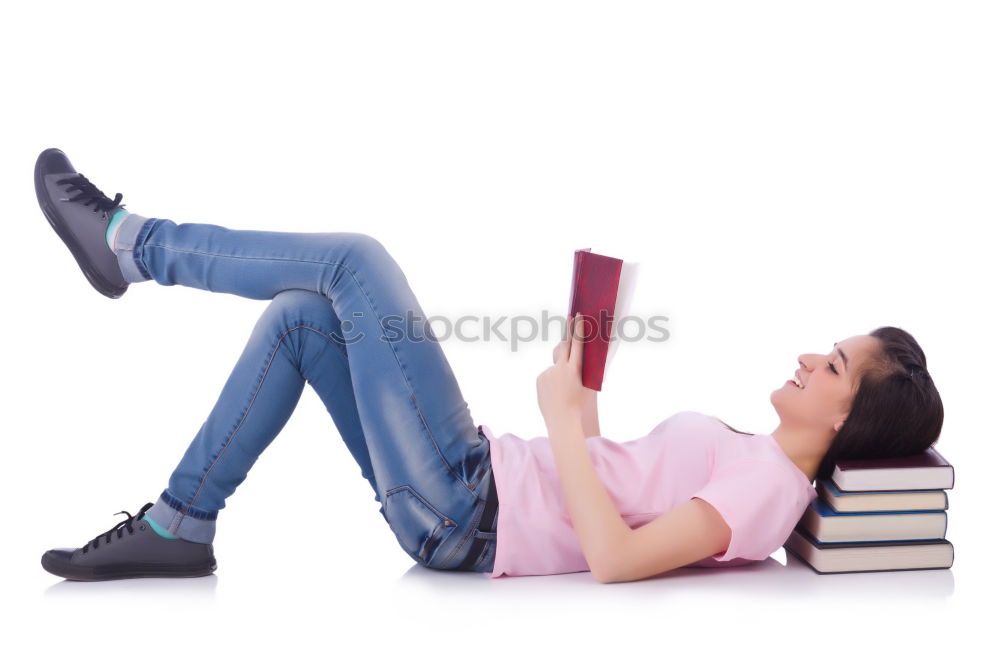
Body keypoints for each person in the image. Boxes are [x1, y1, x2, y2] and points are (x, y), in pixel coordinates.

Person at [35, 148, 944, 584]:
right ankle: (180, 522)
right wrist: (583, 382)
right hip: (476, 488)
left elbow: (617, 558)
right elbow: (610, 487)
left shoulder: (769, 491)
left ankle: (130, 246)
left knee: (355, 260)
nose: (804, 356)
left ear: (842, 419)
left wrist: (556, 417)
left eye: (831, 364)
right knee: (304, 319)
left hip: (471, 508)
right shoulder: (757, 458)